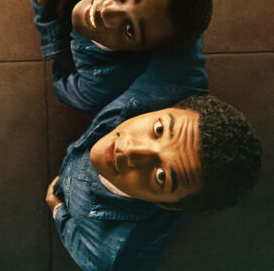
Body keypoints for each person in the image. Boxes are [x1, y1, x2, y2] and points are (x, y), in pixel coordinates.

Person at [45, 95, 261, 270]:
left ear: (169, 205)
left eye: (161, 176)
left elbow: (86, 255)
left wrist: (58, 210)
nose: (131, 150)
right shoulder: (158, 88)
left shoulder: (114, 257)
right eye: (159, 130)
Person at [29, 0, 213, 114]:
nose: (108, 12)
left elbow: (66, 83)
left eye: (129, 29)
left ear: (140, 51)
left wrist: (54, 36)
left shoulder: (97, 88)